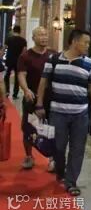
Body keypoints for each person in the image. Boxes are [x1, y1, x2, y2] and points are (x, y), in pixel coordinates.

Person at [35, 29, 91, 196]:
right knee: (58, 147)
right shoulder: (54, 59)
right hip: (58, 112)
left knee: (77, 149)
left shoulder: (90, 64)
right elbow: (43, 82)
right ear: (74, 41)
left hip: (80, 114)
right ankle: (60, 172)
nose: (88, 46)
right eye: (85, 42)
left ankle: (71, 181)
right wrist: (39, 104)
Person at [17, 27, 55, 171]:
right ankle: (29, 156)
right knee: (29, 128)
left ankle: (52, 158)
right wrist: (26, 90)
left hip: (50, 98)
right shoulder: (25, 56)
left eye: (45, 34)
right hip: (31, 98)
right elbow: (21, 75)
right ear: (33, 38)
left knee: (52, 128)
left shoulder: (53, 54)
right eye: (40, 35)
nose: (44, 37)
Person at [5, 25, 27, 99]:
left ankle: (7, 91)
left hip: (9, 60)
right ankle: (15, 94)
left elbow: (4, 48)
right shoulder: (23, 40)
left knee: (7, 75)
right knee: (17, 77)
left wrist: (1, 57)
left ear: (13, 30)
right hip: (18, 61)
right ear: (20, 31)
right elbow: (24, 52)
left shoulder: (9, 39)